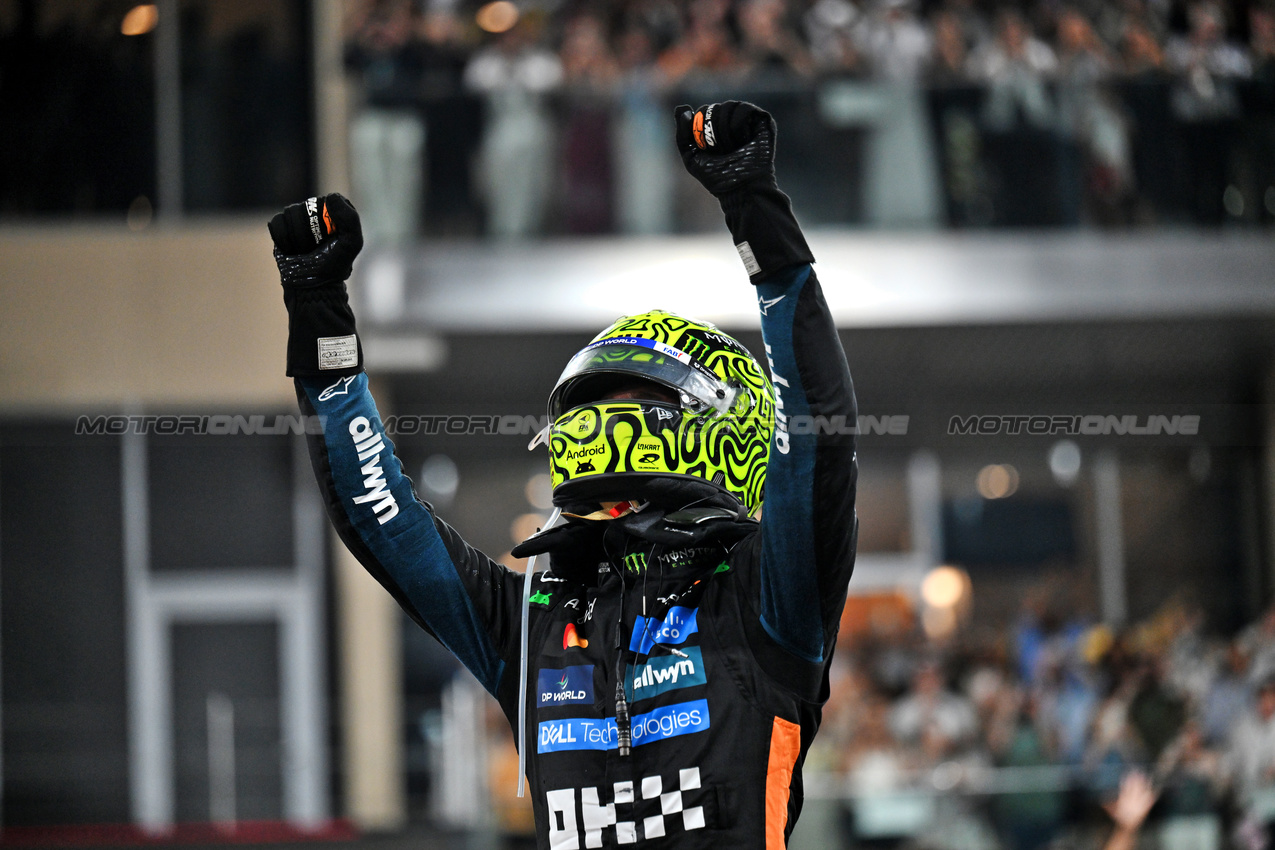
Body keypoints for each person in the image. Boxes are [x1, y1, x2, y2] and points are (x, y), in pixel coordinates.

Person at [267, 101, 859, 847]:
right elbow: (384, 522)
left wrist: (754, 211)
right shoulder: (533, 622)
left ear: (720, 426)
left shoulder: (768, 594)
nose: (602, 424)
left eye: (635, 400)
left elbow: (818, 436)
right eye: (593, 404)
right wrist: (320, 320)